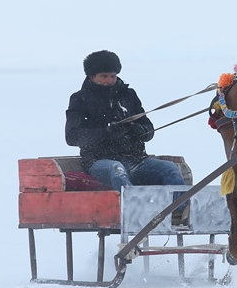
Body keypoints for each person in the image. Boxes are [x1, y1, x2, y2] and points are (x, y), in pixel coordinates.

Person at [65, 50, 189, 205]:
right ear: (91, 77)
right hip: (100, 162)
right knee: (117, 170)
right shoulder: (80, 98)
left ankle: (181, 211)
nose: (110, 80)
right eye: (104, 76)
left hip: (136, 160)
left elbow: (148, 128)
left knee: (169, 168)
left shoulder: (128, 95)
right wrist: (107, 133)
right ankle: (136, 212)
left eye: (113, 76)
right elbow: (72, 136)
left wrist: (141, 131)